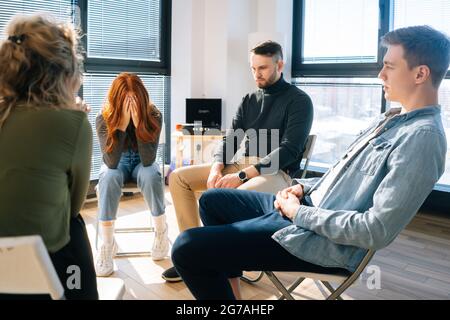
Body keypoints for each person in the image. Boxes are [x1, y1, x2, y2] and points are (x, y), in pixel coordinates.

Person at [171, 25, 450, 300]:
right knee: (212, 201)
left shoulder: (423, 138)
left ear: (420, 74)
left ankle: (214, 261)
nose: (380, 74)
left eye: (389, 66)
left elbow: (374, 230)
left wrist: (296, 213)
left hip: (313, 237)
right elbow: (344, 178)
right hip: (304, 207)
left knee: (186, 248)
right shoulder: (389, 120)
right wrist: (302, 188)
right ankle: (230, 288)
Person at [163, 40, 314, 282]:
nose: (256, 74)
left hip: (275, 173)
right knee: (179, 177)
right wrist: (216, 167)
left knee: (224, 199)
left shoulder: (299, 101)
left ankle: (214, 257)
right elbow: (231, 139)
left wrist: (242, 176)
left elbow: (288, 150)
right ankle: (193, 250)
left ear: (280, 64)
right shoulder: (248, 100)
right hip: (242, 164)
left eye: (263, 68)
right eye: (253, 68)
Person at [0, 14, 97, 299]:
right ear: (65, 73)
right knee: (74, 224)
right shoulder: (72, 124)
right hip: (44, 271)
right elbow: (75, 205)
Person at [95, 72, 169, 277]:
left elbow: (148, 160)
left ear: (142, 98)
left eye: (134, 100)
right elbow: (110, 162)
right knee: (108, 177)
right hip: (116, 163)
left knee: (151, 174)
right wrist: (119, 126)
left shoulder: (154, 115)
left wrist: (138, 125)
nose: (130, 105)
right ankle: (107, 243)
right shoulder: (103, 117)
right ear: (115, 99)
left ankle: (161, 232)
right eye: (125, 100)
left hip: (140, 162)